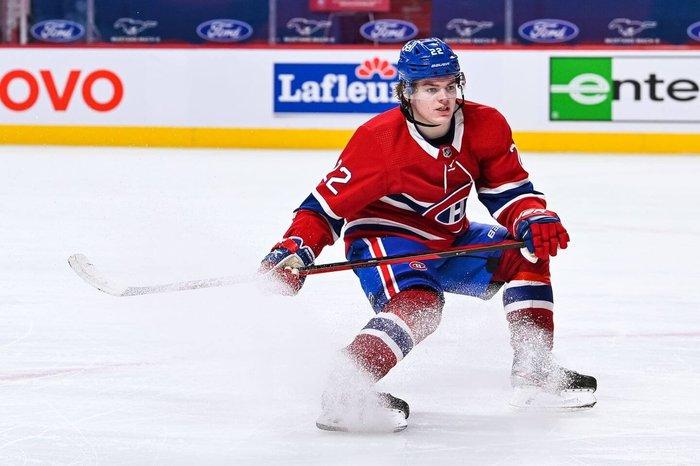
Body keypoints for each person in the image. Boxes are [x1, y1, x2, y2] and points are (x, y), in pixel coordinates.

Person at [260, 37, 596, 432]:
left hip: (449, 236)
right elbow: (325, 209)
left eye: (451, 86)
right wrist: (294, 250)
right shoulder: (379, 140)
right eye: (431, 89)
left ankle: (534, 369)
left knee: (526, 252)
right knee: (420, 303)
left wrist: (532, 217)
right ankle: (343, 389)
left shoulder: (485, 124)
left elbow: (509, 191)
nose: (444, 98)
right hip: (387, 237)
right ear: (407, 92)